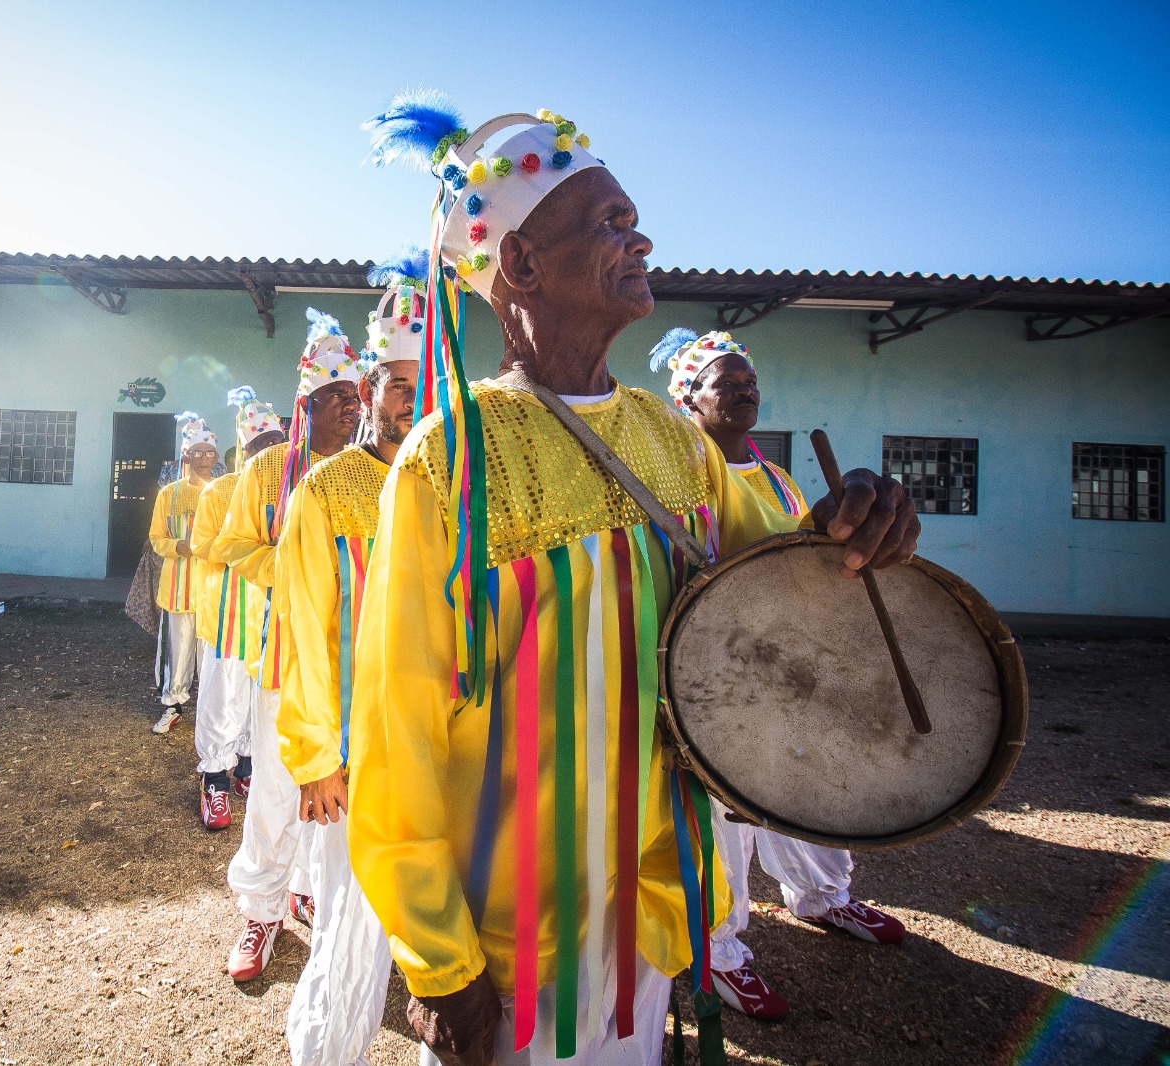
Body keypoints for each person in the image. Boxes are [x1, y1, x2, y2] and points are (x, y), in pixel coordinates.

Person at [351, 92, 921, 1065]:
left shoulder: (675, 442)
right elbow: (394, 732)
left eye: (633, 218)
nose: (641, 238)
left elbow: (776, 594)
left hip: (657, 894)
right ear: (519, 263)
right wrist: (439, 965)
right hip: (510, 931)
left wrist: (847, 532)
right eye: (607, 221)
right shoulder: (450, 458)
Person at [650, 326, 907, 1021]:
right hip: (717, 680)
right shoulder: (678, 475)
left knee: (806, 791)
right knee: (724, 819)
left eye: (749, 381)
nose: (742, 389)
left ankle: (823, 896)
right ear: (688, 399)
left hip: (787, 671)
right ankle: (720, 954)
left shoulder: (777, 478)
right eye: (723, 382)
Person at [275, 253, 425, 1065]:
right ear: (367, 393)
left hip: (446, 750)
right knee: (352, 929)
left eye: (430, 383)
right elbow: (303, 629)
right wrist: (315, 758)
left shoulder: (458, 486)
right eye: (400, 384)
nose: (416, 400)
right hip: (358, 761)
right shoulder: (329, 490)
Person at [215, 309, 366, 983]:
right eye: (332, 397)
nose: (347, 408)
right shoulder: (271, 468)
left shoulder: (374, 473)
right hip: (285, 659)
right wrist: (299, 569)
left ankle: (313, 890)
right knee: (277, 789)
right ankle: (262, 909)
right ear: (305, 404)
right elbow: (232, 545)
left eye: (353, 396)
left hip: (356, 667)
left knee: (336, 794)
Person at [186, 386, 286, 830]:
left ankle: (245, 768)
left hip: (269, 614)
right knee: (221, 696)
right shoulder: (218, 492)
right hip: (228, 615)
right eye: (260, 446)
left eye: (275, 444)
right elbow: (201, 545)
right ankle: (213, 780)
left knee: (257, 697)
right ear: (243, 450)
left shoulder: (292, 485)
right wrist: (242, 543)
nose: (269, 452)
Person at [148, 413, 218, 734]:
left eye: (209, 452)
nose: (204, 458)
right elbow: (156, 538)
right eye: (197, 452)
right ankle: (173, 705)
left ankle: (210, 710)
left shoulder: (223, 493)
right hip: (177, 589)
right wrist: (178, 546)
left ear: (216, 456)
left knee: (210, 654)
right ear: (186, 457)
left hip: (211, 590)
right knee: (178, 649)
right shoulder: (168, 495)